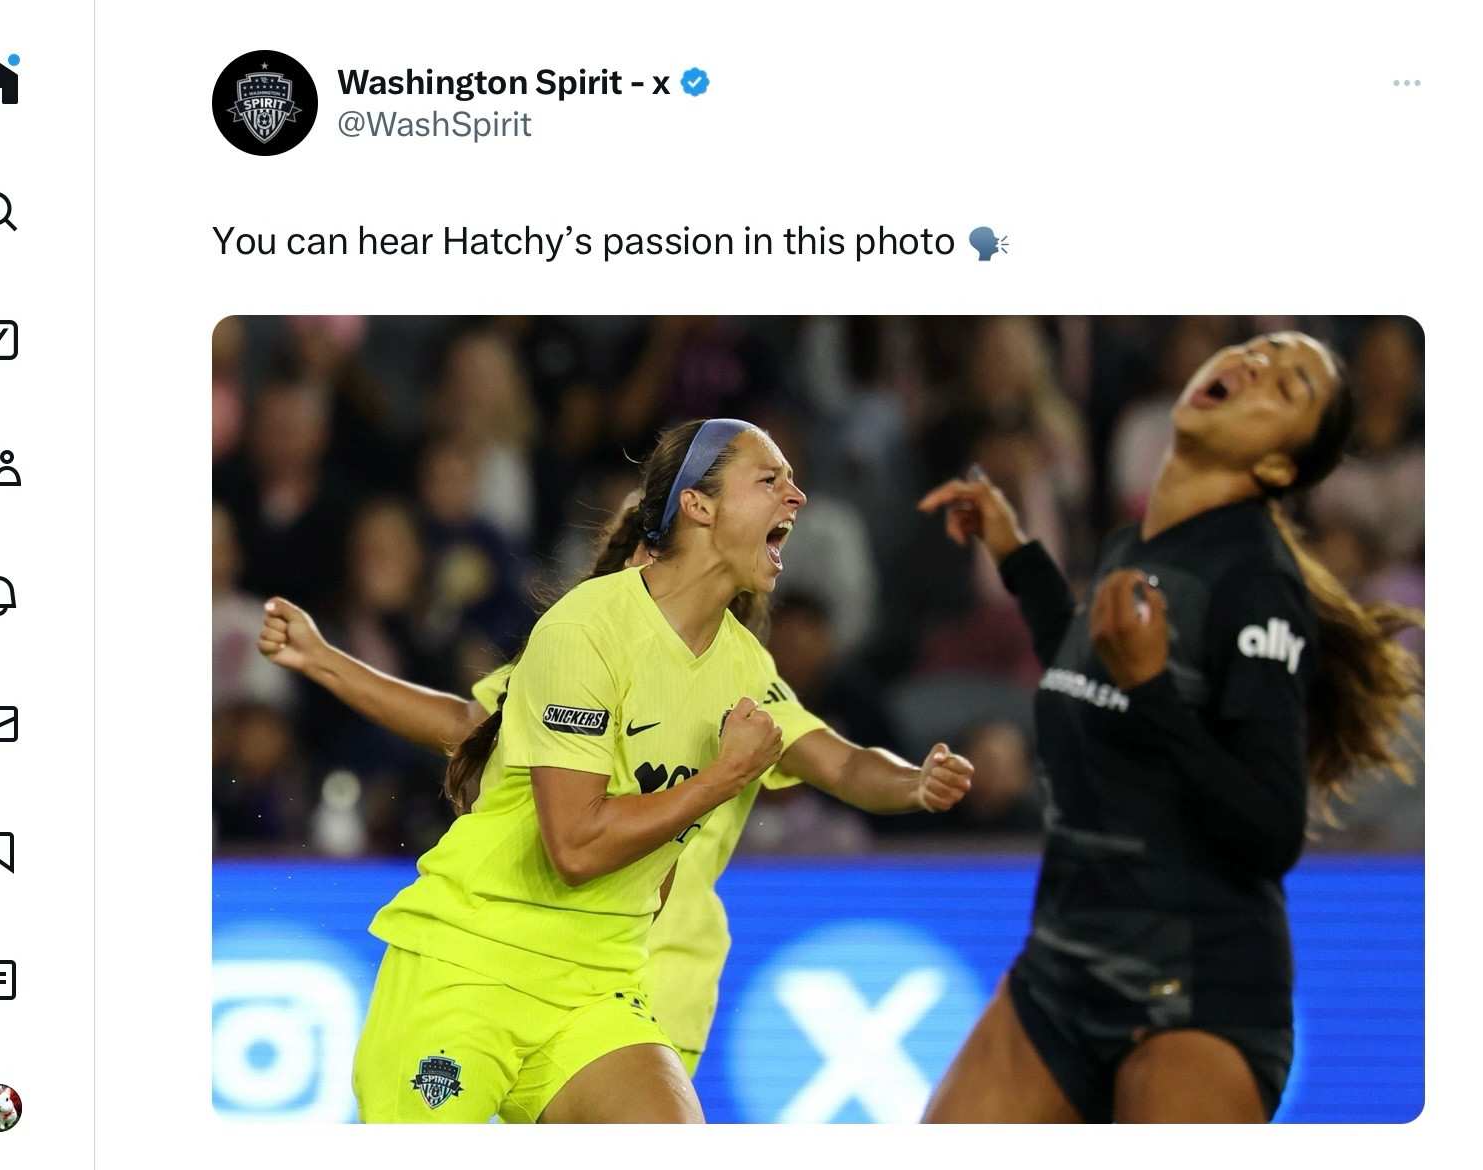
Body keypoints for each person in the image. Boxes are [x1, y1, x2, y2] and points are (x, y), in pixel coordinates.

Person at [268, 418, 971, 1124]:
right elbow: (572, 844)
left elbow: (839, 763)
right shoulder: (585, 632)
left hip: (601, 983)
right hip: (475, 967)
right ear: (697, 504)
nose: (798, 498)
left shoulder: (744, 668)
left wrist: (915, 782)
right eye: (770, 481)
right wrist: (721, 780)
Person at [916, 332, 1421, 1123]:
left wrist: (1153, 688)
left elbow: (1269, 826)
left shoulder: (1258, 587)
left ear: (1279, 470)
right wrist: (1014, 549)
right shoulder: (1135, 544)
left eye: (1287, 387)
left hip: (1197, 993)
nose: (1256, 366)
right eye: (1261, 352)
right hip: (1062, 970)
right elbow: (1086, 676)